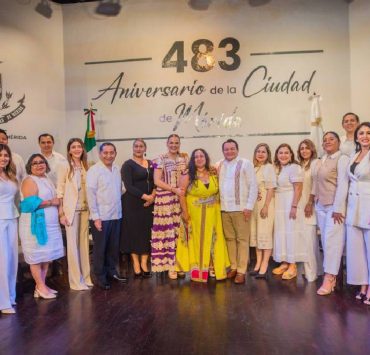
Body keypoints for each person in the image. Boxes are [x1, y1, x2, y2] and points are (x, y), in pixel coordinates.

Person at [177, 148, 230, 282]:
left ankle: (213, 267)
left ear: (206, 158)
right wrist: (185, 212)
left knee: (213, 239)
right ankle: (199, 271)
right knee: (197, 241)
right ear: (193, 160)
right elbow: (181, 194)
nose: (199, 159)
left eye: (201, 156)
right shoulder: (188, 174)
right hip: (195, 214)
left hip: (213, 213)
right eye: (196, 157)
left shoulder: (213, 172)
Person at [19, 154, 64, 299]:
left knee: (46, 256)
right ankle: (40, 286)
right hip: (35, 224)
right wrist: (52, 202)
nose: (39, 165)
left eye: (41, 162)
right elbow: (30, 204)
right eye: (35, 163)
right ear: (29, 167)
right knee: (37, 257)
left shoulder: (47, 179)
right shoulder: (29, 180)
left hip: (50, 224)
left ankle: (41, 286)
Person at [313, 132, 349, 295]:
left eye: (331, 139)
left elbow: (343, 184)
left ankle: (330, 278)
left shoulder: (342, 159)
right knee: (326, 242)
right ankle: (331, 274)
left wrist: (338, 208)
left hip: (334, 208)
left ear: (338, 142)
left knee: (332, 243)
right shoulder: (322, 159)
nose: (327, 142)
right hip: (320, 205)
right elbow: (316, 181)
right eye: (325, 140)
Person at [86, 142, 127, 290]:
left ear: (115, 153)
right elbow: (90, 195)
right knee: (100, 249)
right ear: (100, 154)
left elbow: (121, 189)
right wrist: (96, 217)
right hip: (101, 217)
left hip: (116, 215)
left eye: (111, 152)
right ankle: (100, 277)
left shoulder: (116, 169)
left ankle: (112, 272)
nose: (109, 155)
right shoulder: (94, 170)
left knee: (113, 248)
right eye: (105, 153)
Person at [218, 139, 258, 284]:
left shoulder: (245, 163)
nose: (229, 151)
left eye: (232, 148)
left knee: (242, 240)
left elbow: (253, 186)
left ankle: (241, 271)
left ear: (237, 149)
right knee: (229, 239)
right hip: (224, 209)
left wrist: (249, 206)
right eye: (226, 149)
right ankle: (233, 267)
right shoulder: (220, 164)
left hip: (241, 209)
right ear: (223, 151)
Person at [57, 138, 92, 290]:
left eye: (79, 146)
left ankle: (86, 277)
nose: (77, 149)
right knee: (72, 247)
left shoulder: (86, 165)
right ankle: (76, 282)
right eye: (74, 147)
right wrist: (61, 213)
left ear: (83, 149)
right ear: (69, 150)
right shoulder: (64, 165)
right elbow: (60, 190)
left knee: (84, 245)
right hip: (71, 211)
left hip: (85, 210)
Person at [151, 134, 188, 279]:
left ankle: (178, 264)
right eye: (171, 142)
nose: (174, 145)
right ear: (167, 143)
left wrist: (182, 192)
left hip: (179, 199)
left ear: (179, 144)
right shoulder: (160, 159)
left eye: (176, 143)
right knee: (168, 232)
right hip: (165, 199)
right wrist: (174, 190)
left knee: (179, 232)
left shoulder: (184, 159)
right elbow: (157, 181)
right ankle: (170, 266)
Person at [120, 139, 155, 278]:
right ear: (133, 148)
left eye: (141, 146)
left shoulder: (152, 164)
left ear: (145, 148)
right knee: (134, 233)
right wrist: (145, 197)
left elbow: (156, 181)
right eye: (136, 146)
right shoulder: (127, 165)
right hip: (132, 203)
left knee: (146, 232)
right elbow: (128, 186)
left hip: (149, 203)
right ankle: (135, 263)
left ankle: (144, 263)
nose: (139, 148)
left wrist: (152, 196)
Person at [272, 144, 306, 280]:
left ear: (291, 155)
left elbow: (298, 188)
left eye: (286, 153)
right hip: (280, 204)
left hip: (290, 202)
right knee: (282, 232)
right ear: (277, 155)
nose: (283, 155)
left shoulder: (294, 167)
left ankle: (293, 265)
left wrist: (294, 206)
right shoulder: (279, 168)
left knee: (291, 232)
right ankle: (285, 262)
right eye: (281, 153)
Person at [345, 122, 370, 305]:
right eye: (361, 133)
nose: (365, 136)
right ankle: (363, 284)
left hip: (368, 208)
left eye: (369, 133)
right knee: (358, 251)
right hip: (354, 209)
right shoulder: (354, 155)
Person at [297, 139, 323, 282]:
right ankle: (317, 270)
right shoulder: (299, 164)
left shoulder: (315, 163)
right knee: (305, 240)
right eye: (302, 148)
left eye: (307, 148)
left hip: (309, 205)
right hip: (299, 205)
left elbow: (316, 184)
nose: (304, 151)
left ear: (312, 149)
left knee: (310, 241)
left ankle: (311, 274)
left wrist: (310, 202)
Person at [250, 143, 276, 279]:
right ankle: (258, 263)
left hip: (265, 205)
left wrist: (266, 205)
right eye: (258, 151)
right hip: (254, 205)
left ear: (267, 155)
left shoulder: (268, 167)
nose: (260, 154)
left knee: (265, 234)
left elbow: (271, 188)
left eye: (263, 152)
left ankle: (265, 264)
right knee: (256, 234)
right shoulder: (254, 168)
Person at [0, 144, 19, 314]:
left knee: (12, 260)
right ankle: (3, 302)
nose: (3, 158)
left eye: (6, 155)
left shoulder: (10, 175)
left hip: (12, 218)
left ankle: (10, 297)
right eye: (0, 155)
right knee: (2, 260)